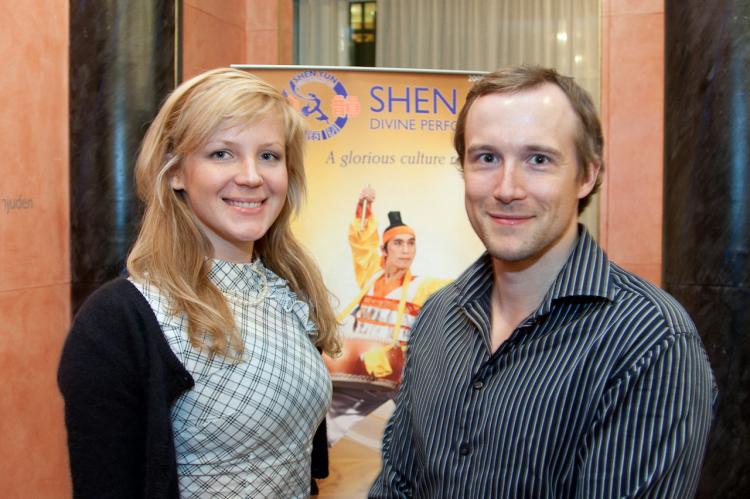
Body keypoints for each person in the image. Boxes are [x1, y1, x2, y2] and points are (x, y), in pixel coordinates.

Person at [369, 66, 717, 498]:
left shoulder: (651, 341)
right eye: (486, 158)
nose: (507, 188)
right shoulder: (438, 315)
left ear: (588, 174)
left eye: (538, 159)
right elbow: (396, 486)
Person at [58, 68, 339, 498]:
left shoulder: (291, 296)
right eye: (222, 154)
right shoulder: (120, 320)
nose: (251, 176)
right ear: (175, 173)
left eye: (269, 156)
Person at [324, 186, 449, 444]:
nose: (406, 250)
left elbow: (459, 291)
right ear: (385, 250)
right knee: (328, 420)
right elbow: (362, 245)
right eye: (399, 243)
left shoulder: (422, 287)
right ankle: (311, 472)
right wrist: (365, 208)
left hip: (402, 372)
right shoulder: (370, 276)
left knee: (426, 430)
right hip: (365, 369)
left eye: (411, 243)